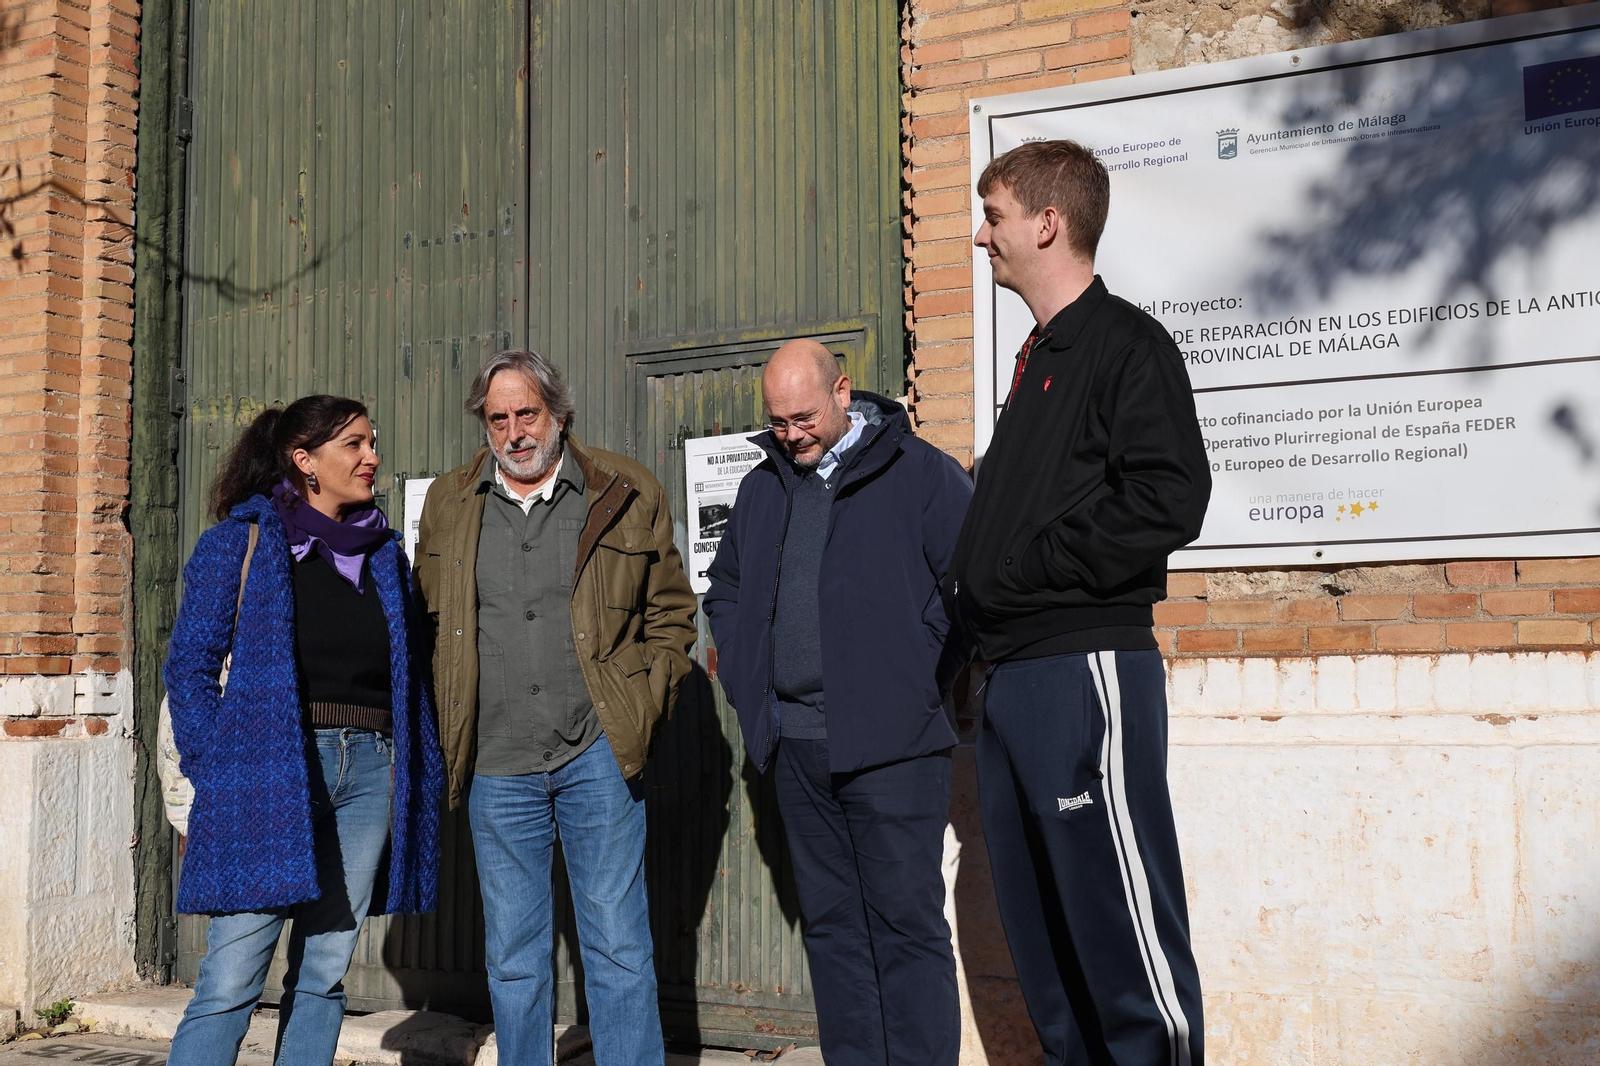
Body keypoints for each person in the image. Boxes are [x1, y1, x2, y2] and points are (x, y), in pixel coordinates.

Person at [944, 140, 1212, 1066]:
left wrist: (1025, 572)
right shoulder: (1039, 362)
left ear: (1047, 223)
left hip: (1082, 673)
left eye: (994, 214)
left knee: (1122, 952)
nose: (982, 235)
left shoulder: (1123, 346)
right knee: (1050, 965)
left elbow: (1168, 497)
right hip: (1013, 681)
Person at [414, 349, 697, 1066]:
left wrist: (641, 702)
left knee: (619, 947)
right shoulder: (449, 503)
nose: (513, 431)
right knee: (513, 955)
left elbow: (671, 614)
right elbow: (425, 626)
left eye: (526, 413)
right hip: (496, 764)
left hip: (595, 754)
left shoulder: (624, 487)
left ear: (558, 415)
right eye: (498, 417)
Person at [703, 340, 973, 1065]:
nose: (791, 434)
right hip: (796, 747)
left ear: (843, 392)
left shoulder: (919, 473)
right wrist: (747, 680)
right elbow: (725, 589)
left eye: (803, 417)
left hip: (896, 746)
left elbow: (968, 589)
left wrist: (919, 678)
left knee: (905, 927)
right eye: (778, 421)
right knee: (831, 928)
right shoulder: (765, 486)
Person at [162, 395, 444, 1066]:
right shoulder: (242, 541)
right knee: (232, 975)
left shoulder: (382, 558)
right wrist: (220, 766)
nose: (372, 456)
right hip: (267, 770)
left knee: (323, 972)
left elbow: (410, 677)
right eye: (354, 444)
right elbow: (189, 669)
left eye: (371, 441)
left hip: (370, 768)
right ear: (304, 460)